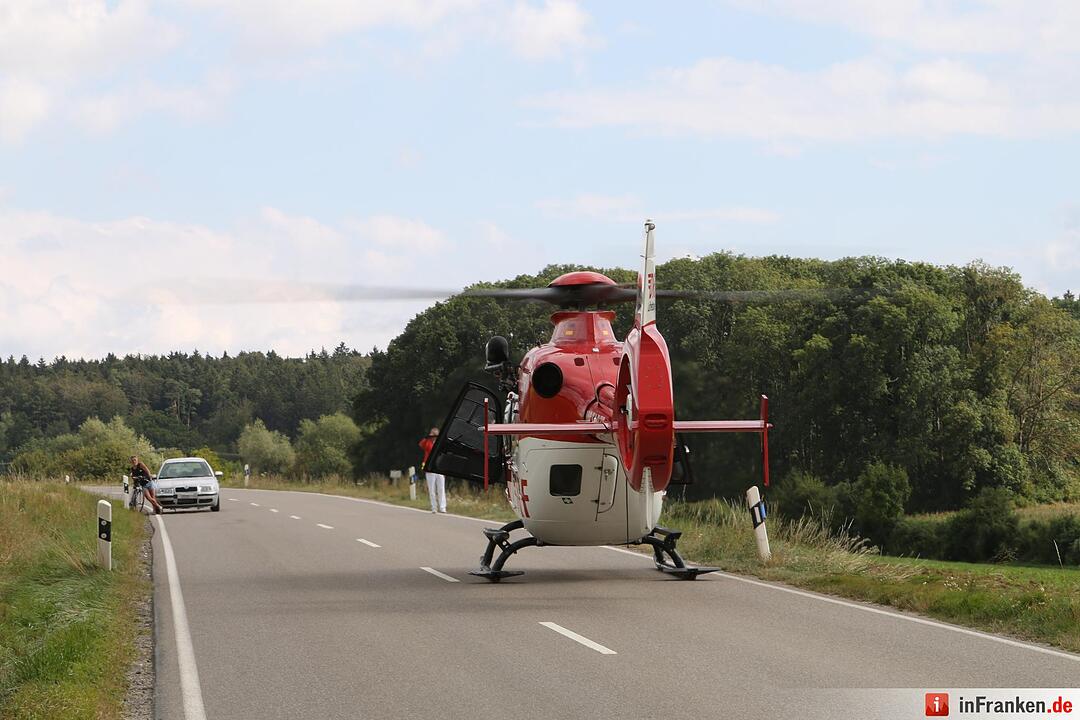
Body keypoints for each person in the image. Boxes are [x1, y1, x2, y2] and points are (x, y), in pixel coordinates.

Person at [418, 427, 446, 513]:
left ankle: (442, 507)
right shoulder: (427, 442)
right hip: (430, 468)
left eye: (435, 435)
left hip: (439, 467)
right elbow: (421, 444)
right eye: (432, 435)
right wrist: (427, 437)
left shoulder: (441, 443)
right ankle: (434, 507)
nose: (434, 437)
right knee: (432, 489)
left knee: (441, 488)